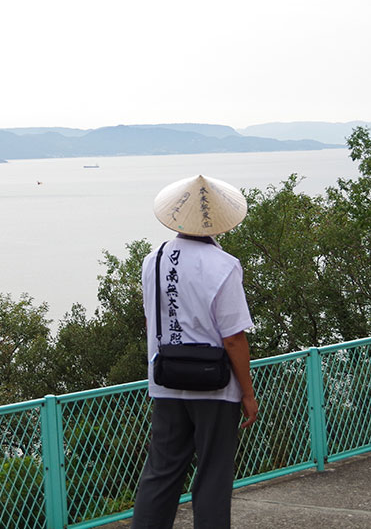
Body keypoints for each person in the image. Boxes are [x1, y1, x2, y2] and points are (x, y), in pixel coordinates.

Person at [131, 174, 258, 529]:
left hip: (166, 382)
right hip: (216, 387)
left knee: (161, 471)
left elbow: (150, 319)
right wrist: (248, 394)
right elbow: (233, 337)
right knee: (214, 472)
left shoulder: (152, 259)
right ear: (219, 221)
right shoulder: (224, 265)